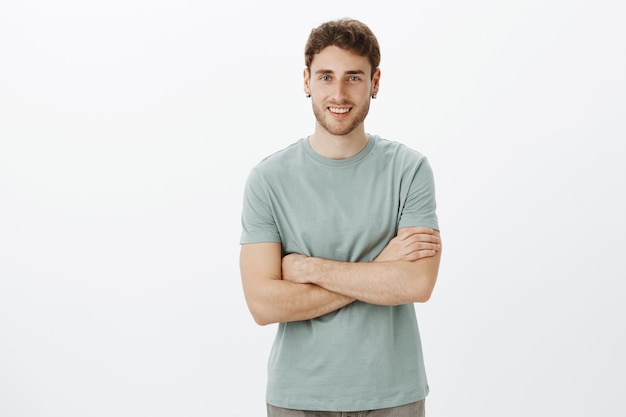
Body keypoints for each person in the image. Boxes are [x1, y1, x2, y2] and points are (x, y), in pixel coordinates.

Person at [239, 18, 442, 417]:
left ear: (375, 82)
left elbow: (417, 282)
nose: (339, 93)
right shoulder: (268, 179)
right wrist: (380, 268)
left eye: (353, 77)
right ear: (306, 80)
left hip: (393, 394)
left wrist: (308, 267)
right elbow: (263, 304)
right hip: (298, 396)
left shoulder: (409, 170)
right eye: (326, 76)